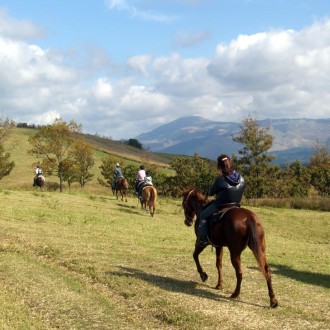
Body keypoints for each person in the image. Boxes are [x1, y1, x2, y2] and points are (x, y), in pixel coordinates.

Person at [197, 154, 245, 247]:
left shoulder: (221, 179)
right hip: (236, 205)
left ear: (219, 166)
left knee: (202, 215)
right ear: (230, 163)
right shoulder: (241, 178)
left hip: (221, 205)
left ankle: (203, 239)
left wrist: (209, 189)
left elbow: (211, 192)